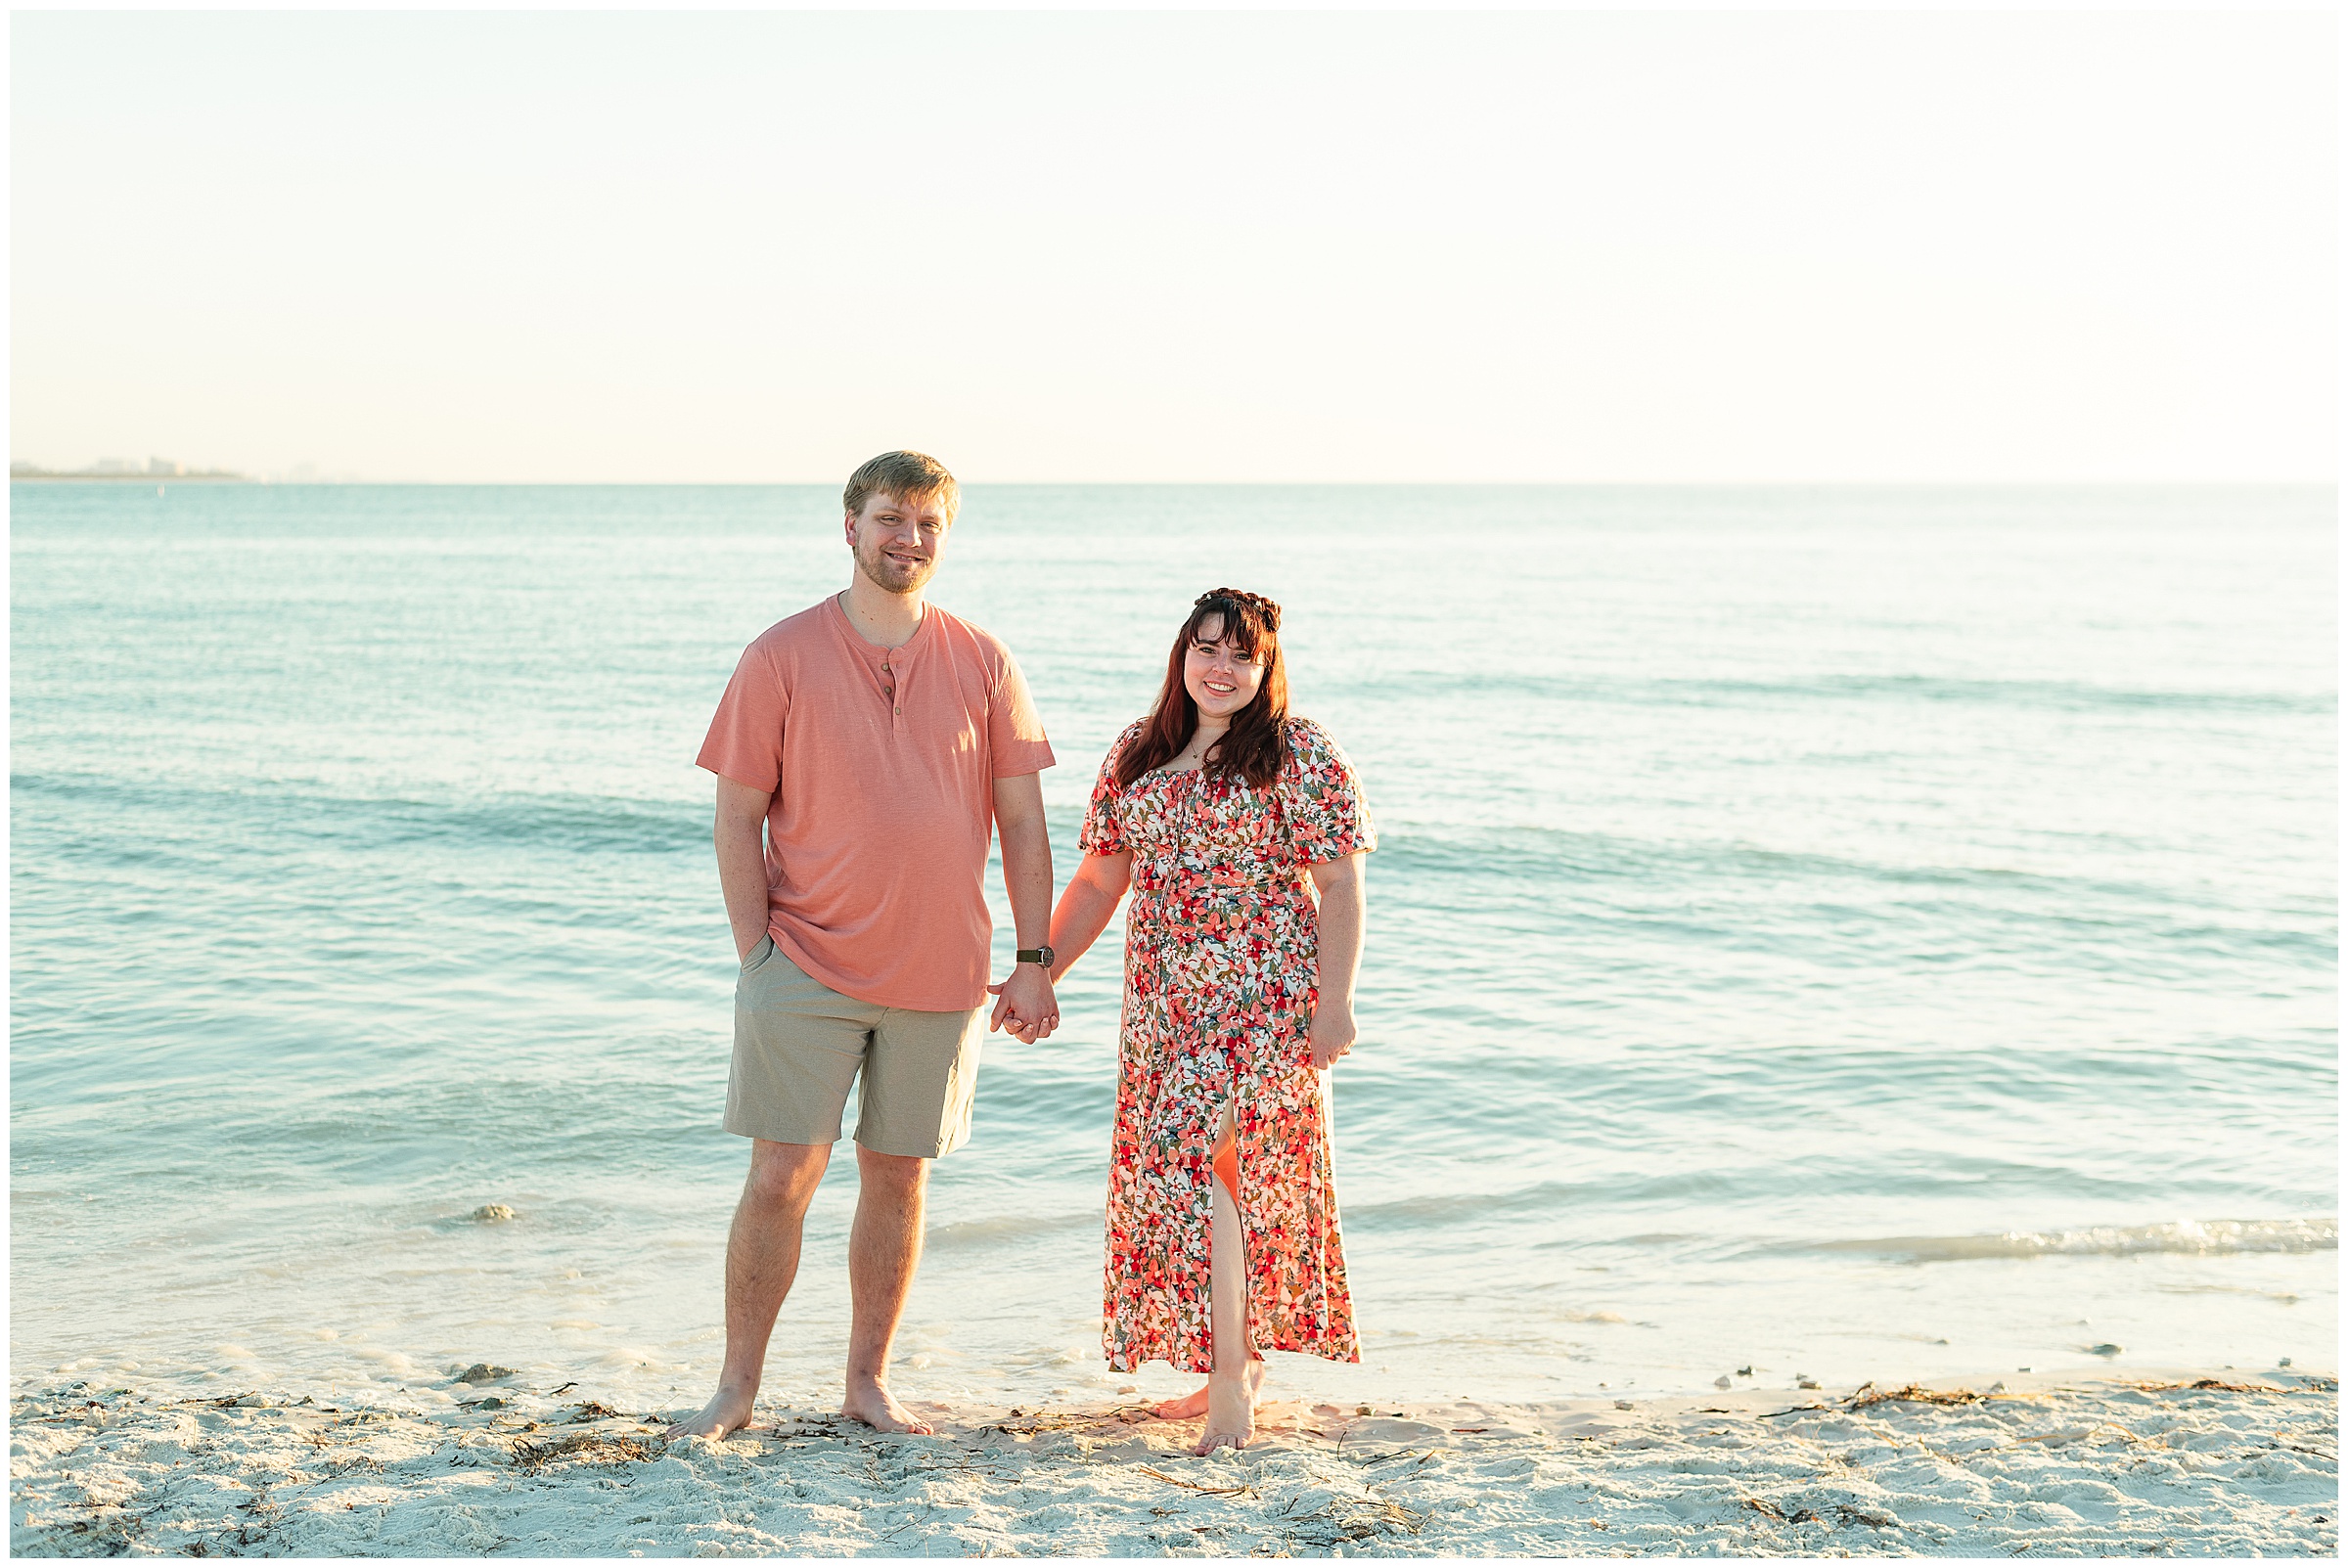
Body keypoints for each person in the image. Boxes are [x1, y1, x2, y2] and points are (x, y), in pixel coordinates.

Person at [669, 451, 1061, 1440]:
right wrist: (757, 949)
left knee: (899, 1176)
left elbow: (1023, 824)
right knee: (779, 1175)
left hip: (939, 974)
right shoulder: (780, 655)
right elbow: (736, 816)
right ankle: (736, 1388)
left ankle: (867, 1384)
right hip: (802, 961)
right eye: (892, 518)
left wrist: (1033, 956)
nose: (909, 539)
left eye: (929, 524)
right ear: (850, 526)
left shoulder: (983, 659)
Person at [1039, 587, 1374, 1455]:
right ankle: (1236, 1359)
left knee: (1232, 1175)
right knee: (1197, 1181)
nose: (1221, 669)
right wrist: (1037, 970)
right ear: (1182, 653)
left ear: (1266, 670)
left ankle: (1231, 1383)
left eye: (1241, 655)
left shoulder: (1294, 751)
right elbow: (1098, 883)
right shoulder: (1139, 751)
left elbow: (1338, 885)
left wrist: (1335, 1001)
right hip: (1165, 1006)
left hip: (1268, 993)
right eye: (1206, 649)